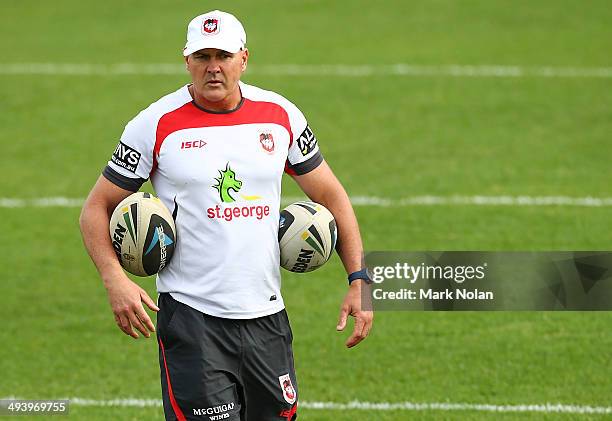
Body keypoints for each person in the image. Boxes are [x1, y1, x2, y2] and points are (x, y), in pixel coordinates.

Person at [79, 10, 373, 421]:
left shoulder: (281, 115)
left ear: (244, 59)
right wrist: (115, 279)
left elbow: (333, 197)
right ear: (187, 62)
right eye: (202, 57)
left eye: (223, 55)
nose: (213, 67)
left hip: (267, 316)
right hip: (193, 319)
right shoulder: (155, 124)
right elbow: (96, 208)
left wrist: (359, 280)